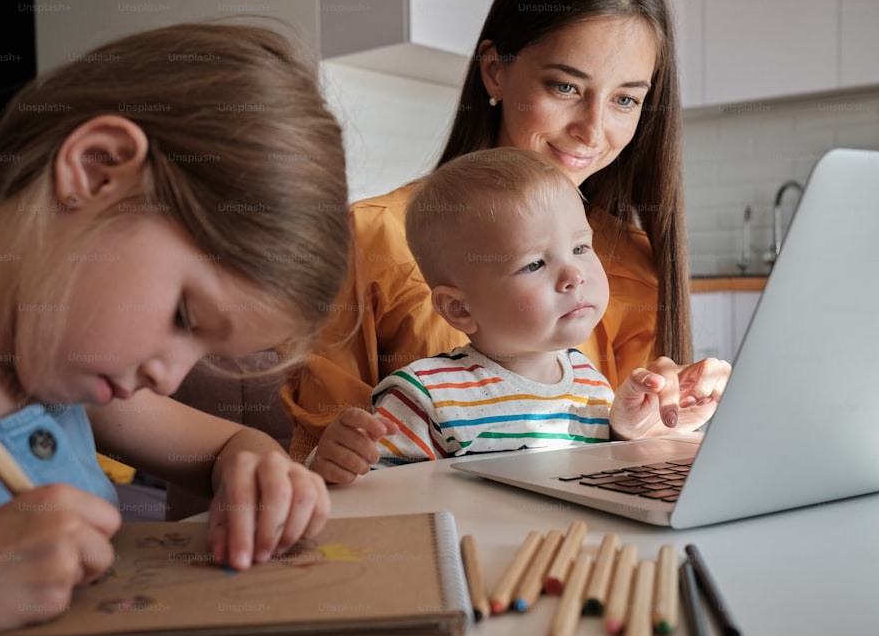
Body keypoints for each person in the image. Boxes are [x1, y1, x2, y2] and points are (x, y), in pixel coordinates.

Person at [0, 22, 349, 636]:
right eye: (186, 318)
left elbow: (227, 446)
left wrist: (255, 466)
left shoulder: (53, 375)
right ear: (98, 169)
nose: (170, 376)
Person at [284, 0, 698, 479]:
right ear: (494, 71)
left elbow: (631, 460)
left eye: (625, 99)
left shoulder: (637, 262)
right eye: (565, 87)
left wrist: (672, 417)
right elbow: (326, 464)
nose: (592, 130)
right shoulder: (368, 237)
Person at [309, 148, 728, 472]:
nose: (574, 275)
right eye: (534, 263)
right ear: (458, 308)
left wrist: (633, 431)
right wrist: (333, 462)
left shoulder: (589, 383)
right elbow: (368, 493)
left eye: (581, 247)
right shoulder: (425, 395)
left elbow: (607, 474)